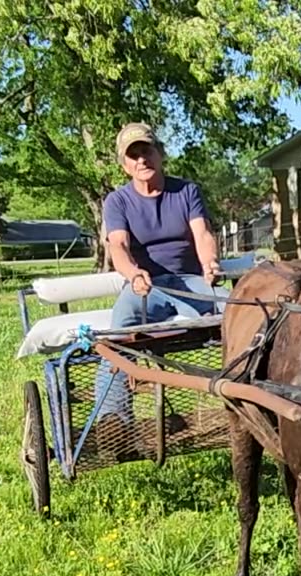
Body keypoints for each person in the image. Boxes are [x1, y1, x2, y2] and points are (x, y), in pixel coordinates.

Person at [92, 122, 229, 442]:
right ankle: (113, 419)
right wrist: (133, 274)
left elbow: (203, 234)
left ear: (160, 153)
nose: (142, 160)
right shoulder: (117, 201)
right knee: (119, 332)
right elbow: (119, 247)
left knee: (237, 313)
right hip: (145, 287)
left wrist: (210, 263)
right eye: (133, 155)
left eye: (147, 151)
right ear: (124, 164)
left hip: (189, 282)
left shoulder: (186, 191)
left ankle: (245, 395)